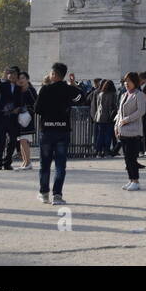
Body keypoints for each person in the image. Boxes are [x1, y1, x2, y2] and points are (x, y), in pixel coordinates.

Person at [35, 62, 86, 205]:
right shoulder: (68, 90)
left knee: (44, 164)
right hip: (63, 130)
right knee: (60, 165)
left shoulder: (45, 89)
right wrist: (73, 85)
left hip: (47, 130)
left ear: (53, 74)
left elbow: (37, 109)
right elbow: (81, 98)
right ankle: (57, 195)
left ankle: (44, 193)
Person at [115, 72, 146, 191]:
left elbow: (141, 111)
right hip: (123, 130)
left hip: (133, 130)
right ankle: (130, 179)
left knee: (132, 158)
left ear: (135, 82)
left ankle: (136, 180)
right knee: (126, 158)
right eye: (125, 81)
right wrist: (116, 126)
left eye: (129, 81)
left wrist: (126, 120)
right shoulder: (124, 95)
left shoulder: (139, 95)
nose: (126, 83)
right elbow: (119, 113)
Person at [0, 67, 21, 170]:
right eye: (10, 73)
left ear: (17, 75)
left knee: (13, 141)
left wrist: (19, 108)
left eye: (14, 74)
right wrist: (3, 77)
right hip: (1, 116)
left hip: (13, 118)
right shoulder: (2, 84)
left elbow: (22, 100)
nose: (12, 76)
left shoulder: (19, 87)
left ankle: (8, 162)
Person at [14, 71, 37, 170]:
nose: (21, 80)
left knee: (24, 140)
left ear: (27, 79)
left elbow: (36, 104)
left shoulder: (31, 90)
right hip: (19, 118)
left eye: (23, 78)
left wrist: (28, 112)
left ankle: (28, 162)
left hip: (27, 118)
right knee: (21, 141)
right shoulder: (19, 91)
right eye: (19, 79)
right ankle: (25, 161)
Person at [91, 79, 118, 157]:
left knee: (100, 135)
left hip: (99, 117)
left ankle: (97, 150)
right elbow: (113, 106)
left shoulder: (100, 94)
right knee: (108, 135)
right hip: (109, 117)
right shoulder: (112, 94)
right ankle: (106, 150)